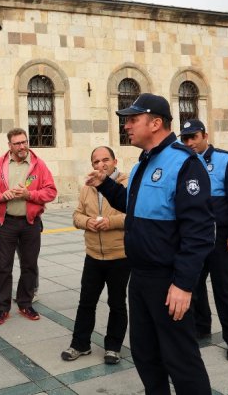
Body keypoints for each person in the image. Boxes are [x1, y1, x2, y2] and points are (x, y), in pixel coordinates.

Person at [87, 93, 214, 394]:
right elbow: (134, 205)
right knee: (146, 355)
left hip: (168, 280)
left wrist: (183, 284)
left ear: (156, 123)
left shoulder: (185, 164)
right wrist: (104, 184)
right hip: (140, 277)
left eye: (133, 119)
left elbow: (199, 232)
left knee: (181, 360)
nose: (127, 125)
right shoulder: (144, 162)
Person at [181, 119, 228, 362]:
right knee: (193, 286)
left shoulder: (225, 160)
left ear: (205, 136)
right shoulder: (182, 162)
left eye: (194, 137)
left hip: (220, 239)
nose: (190, 142)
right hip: (193, 238)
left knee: (226, 290)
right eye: (185, 138)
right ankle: (202, 327)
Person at [0, 128, 57, 324]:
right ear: (10, 146)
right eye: (17, 143)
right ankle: (2, 307)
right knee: (4, 266)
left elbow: (50, 192)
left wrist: (29, 195)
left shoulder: (38, 165)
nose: (22, 146)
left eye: (24, 142)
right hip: (6, 222)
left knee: (29, 265)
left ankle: (25, 303)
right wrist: (1, 196)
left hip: (31, 222)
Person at [61, 146, 129, 364]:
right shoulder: (87, 187)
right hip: (93, 255)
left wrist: (111, 222)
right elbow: (76, 215)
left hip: (119, 255)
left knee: (117, 303)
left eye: (105, 160)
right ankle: (80, 344)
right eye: (96, 162)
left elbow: (136, 215)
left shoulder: (127, 183)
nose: (100, 165)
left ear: (115, 161)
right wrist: (86, 222)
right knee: (86, 302)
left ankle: (113, 347)